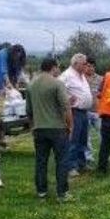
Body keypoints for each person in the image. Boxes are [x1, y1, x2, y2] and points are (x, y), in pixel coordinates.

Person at [26, 59, 73, 202]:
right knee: (62, 161)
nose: (58, 70)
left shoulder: (31, 85)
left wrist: (32, 126)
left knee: (41, 161)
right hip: (57, 128)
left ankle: (41, 192)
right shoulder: (57, 83)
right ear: (54, 68)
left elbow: (29, 110)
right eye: (58, 67)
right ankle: (62, 193)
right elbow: (66, 107)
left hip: (39, 128)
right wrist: (70, 126)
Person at [59, 53, 94, 177]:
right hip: (74, 111)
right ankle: (71, 166)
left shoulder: (81, 75)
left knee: (82, 139)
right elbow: (58, 89)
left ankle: (81, 163)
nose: (86, 65)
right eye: (84, 63)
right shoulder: (66, 76)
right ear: (75, 64)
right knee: (73, 139)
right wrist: (67, 99)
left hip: (84, 112)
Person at [84, 57, 102, 164]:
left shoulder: (101, 79)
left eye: (92, 66)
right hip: (85, 111)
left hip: (98, 111)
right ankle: (88, 157)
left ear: (95, 67)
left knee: (103, 133)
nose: (90, 68)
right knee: (86, 136)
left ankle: (104, 154)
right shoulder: (81, 79)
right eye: (87, 66)